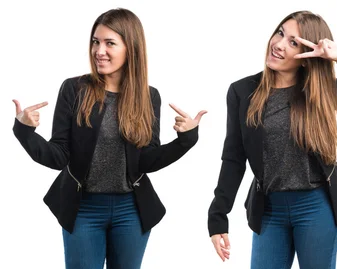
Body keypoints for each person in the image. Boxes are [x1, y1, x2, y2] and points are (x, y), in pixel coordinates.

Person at [12, 8, 206, 269]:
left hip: (131, 211)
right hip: (83, 209)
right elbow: (59, 156)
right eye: (95, 42)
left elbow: (147, 160)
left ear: (131, 48)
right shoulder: (74, 89)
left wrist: (186, 140)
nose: (99, 51)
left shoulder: (149, 97)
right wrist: (24, 131)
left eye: (109, 43)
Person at [207, 10, 337, 269]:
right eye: (280, 33)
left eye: (293, 42)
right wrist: (218, 215)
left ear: (307, 56)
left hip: (316, 207)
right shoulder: (242, 91)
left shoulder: (322, 90)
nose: (279, 45)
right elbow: (233, 157)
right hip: (269, 209)